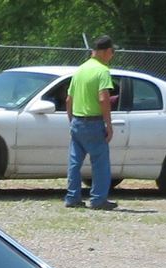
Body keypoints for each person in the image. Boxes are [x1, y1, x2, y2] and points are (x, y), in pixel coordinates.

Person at [63, 35, 119, 210]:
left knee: (74, 163)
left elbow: (68, 99)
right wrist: (108, 125)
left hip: (77, 121)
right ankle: (98, 199)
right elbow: (103, 99)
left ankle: (72, 197)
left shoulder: (80, 70)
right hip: (94, 122)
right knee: (100, 163)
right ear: (106, 51)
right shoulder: (102, 71)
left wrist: (72, 120)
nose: (112, 55)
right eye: (112, 51)